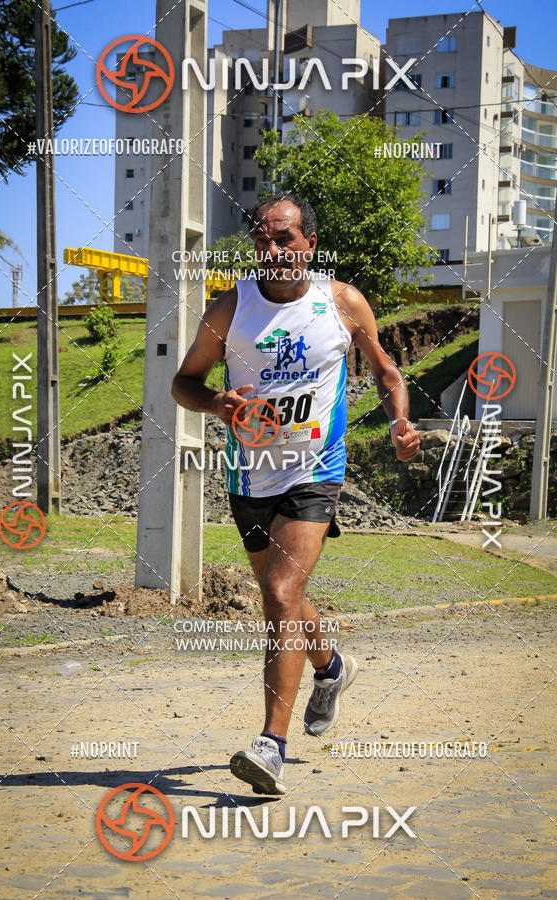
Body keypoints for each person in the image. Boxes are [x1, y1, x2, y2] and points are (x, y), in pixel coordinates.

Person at [171, 192, 420, 795]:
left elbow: (387, 373)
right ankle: (330, 668)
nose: (273, 249)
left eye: (284, 237)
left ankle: (270, 747)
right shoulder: (231, 307)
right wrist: (218, 403)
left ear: (310, 242)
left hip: (315, 470)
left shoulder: (341, 302)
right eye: (262, 238)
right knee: (283, 596)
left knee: (281, 594)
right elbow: (183, 383)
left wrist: (399, 421)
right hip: (249, 473)